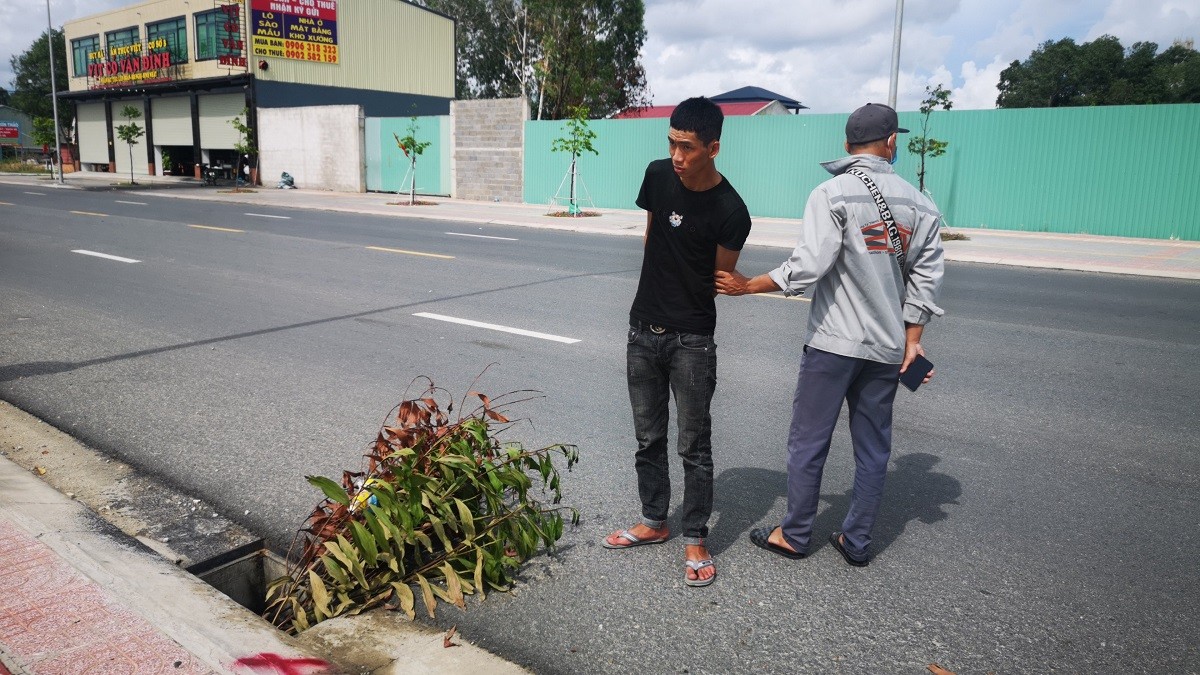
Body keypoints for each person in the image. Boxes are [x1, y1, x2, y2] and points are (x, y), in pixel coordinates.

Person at [715, 102, 945, 567]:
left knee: (809, 441)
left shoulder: (832, 193)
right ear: (891, 142)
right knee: (874, 448)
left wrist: (748, 285)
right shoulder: (921, 204)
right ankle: (856, 542)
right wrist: (913, 340)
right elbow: (926, 277)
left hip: (833, 344)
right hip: (886, 349)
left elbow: (809, 266)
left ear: (846, 144)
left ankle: (795, 534)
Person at [603, 97, 752, 587]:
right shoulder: (656, 175)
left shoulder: (732, 210)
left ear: (713, 147)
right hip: (642, 328)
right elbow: (652, 236)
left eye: (686, 147)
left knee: (694, 446)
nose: (676, 155)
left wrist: (717, 287)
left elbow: (721, 275)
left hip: (692, 339)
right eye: (671, 142)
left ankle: (695, 538)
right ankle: (653, 520)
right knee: (648, 437)